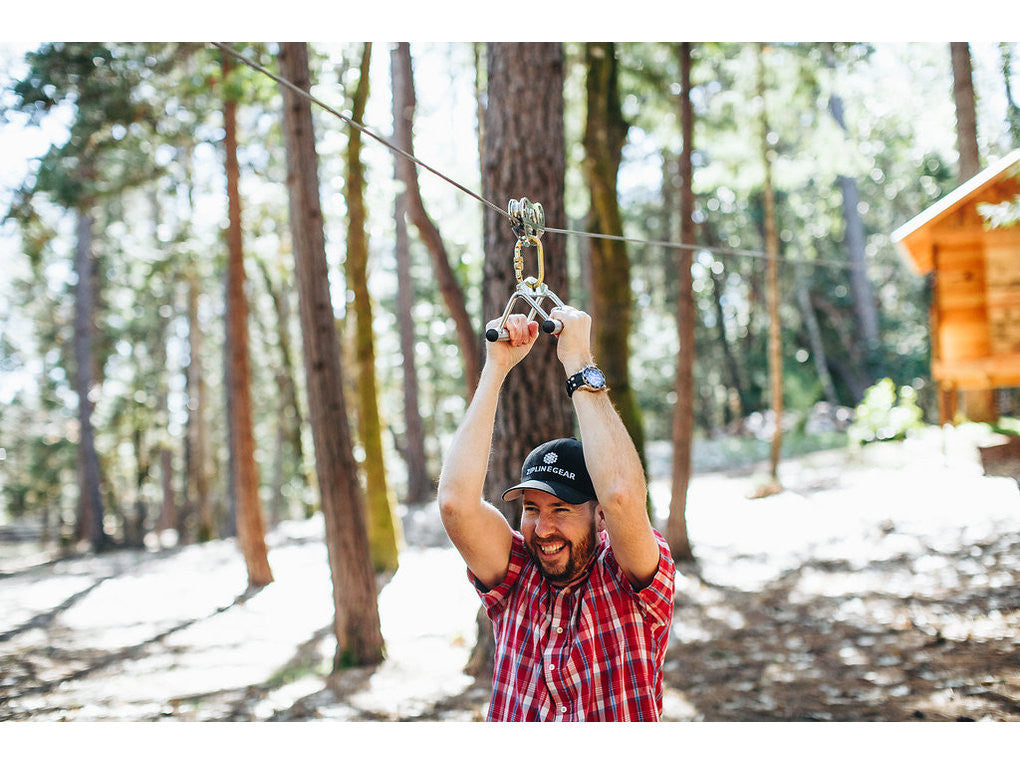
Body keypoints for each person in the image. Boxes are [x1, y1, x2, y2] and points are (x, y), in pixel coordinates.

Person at [437, 306, 676, 722]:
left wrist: (579, 361)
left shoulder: (632, 576)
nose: (543, 528)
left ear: (599, 517)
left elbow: (620, 493)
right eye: (531, 508)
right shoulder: (516, 574)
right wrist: (496, 369)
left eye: (562, 509)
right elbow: (456, 504)